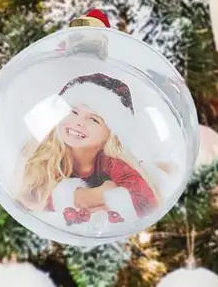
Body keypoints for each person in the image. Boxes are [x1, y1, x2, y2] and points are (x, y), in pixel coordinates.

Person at [18, 73, 159, 227]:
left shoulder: (111, 163)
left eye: (94, 119)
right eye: (74, 112)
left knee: (156, 170)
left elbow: (148, 204)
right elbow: (31, 204)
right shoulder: (44, 155)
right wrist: (94, 195)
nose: (78, 122)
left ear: (110, 133)